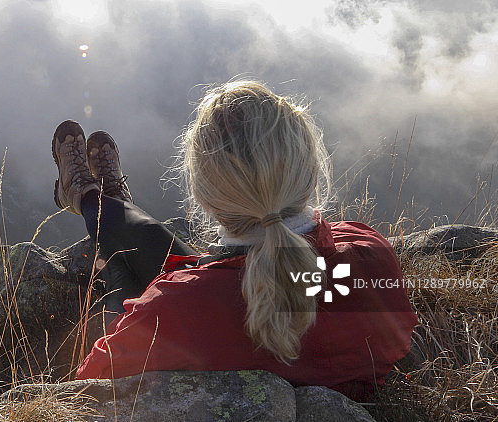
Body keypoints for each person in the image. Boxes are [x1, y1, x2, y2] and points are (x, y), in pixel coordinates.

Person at [50, 80, 417, 401]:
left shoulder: (172, 308)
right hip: (225, 300)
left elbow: (89, 382)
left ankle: (89, 200)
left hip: (187, 310)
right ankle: (105, 199)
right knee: (155, 250)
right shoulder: (370, 254)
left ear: (204, 196)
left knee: (119, 261)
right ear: (308, 170)